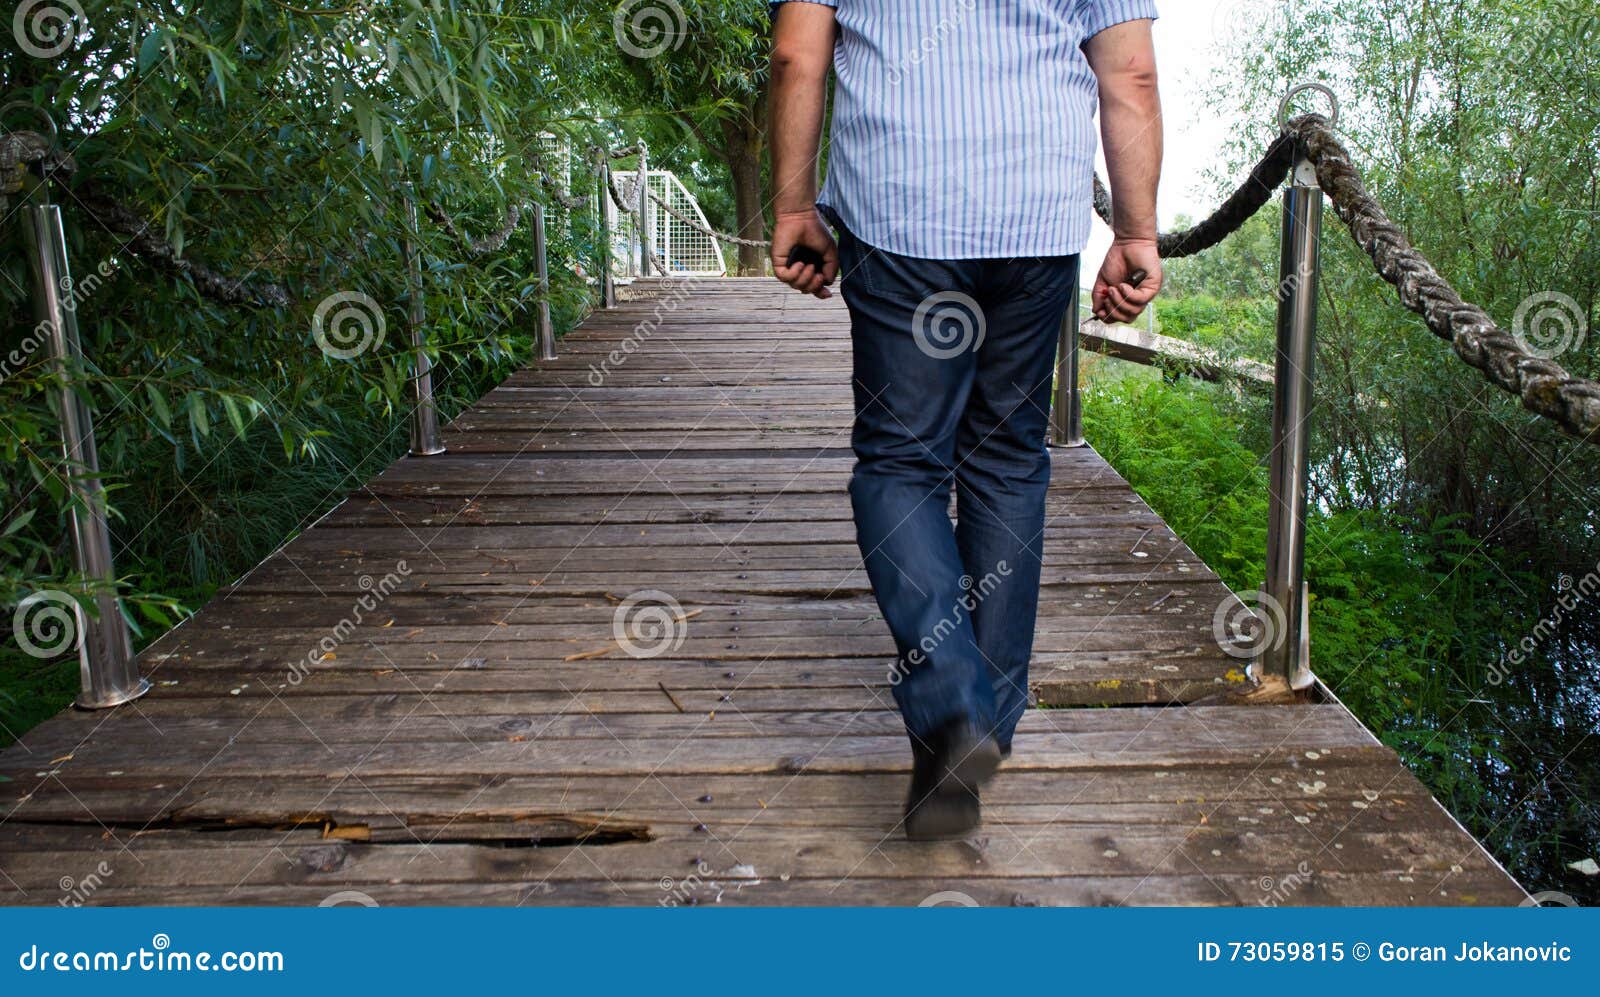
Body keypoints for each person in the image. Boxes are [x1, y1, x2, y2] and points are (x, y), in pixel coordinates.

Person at [767, 0, 1165, 839]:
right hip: (1035, 216)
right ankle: (979, 722)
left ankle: (952, 698)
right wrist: (1134, 229)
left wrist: (793, 205)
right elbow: (1128, 71)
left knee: (902, 463)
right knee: (1007, 459)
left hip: (905, 209)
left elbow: (797, 57)